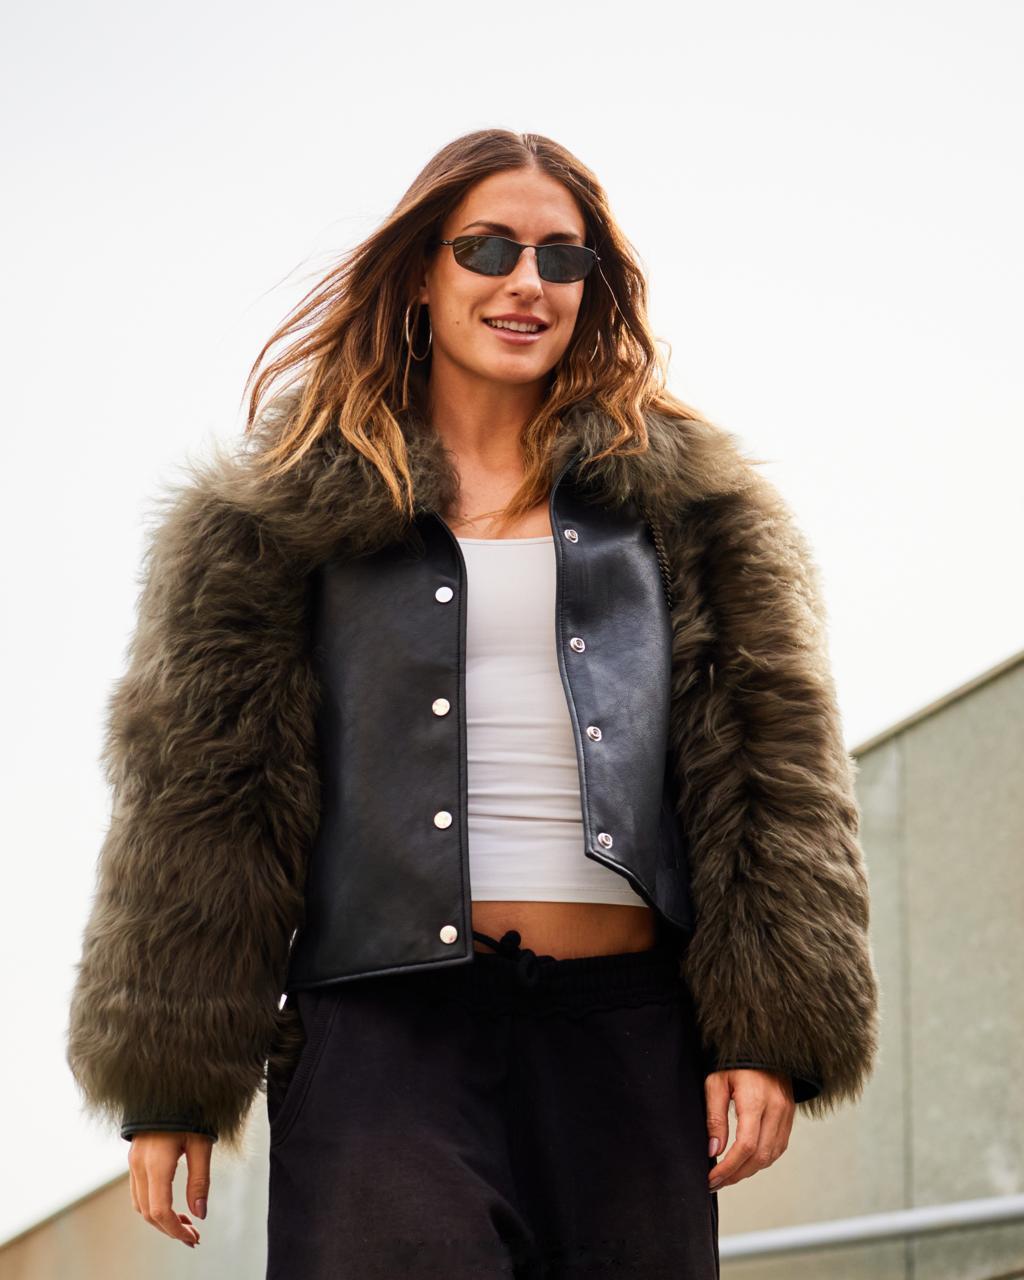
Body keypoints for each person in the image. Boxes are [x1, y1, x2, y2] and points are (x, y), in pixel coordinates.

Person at [65, 128, 880, 1279]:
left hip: (627, 1036)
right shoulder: (274, 519)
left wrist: (771, 1028)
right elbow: (203, 800)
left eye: (561, 256)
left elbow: (772, 771)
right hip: (383, 1040)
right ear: (421, 272)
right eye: (488, 248)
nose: (525, 282)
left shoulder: (692, 510)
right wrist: (168, 1082)